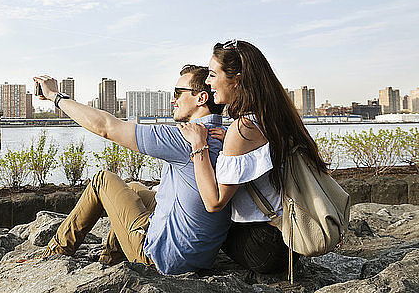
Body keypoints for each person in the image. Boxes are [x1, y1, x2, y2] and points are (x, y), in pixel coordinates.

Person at [33, 65, 231, 275]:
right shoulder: (226, 136)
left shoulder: (184, 138)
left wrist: (55, 96)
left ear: (201, 98)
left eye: (177, 93)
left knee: (103, 180)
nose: (173, 100)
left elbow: (107, 127)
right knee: (134, 187)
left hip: (162, 260)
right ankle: (112, 260)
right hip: (198, 256)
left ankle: (53, 254)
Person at [178, 40, 328, 274]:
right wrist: (231, 140)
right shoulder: (270, 116)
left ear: (236, 79)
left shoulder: (243, 128)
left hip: (263, 248)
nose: (208, 83)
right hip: (287, 238)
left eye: (212, 75)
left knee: (197, 218)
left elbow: (214, 202)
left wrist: (199, 145)